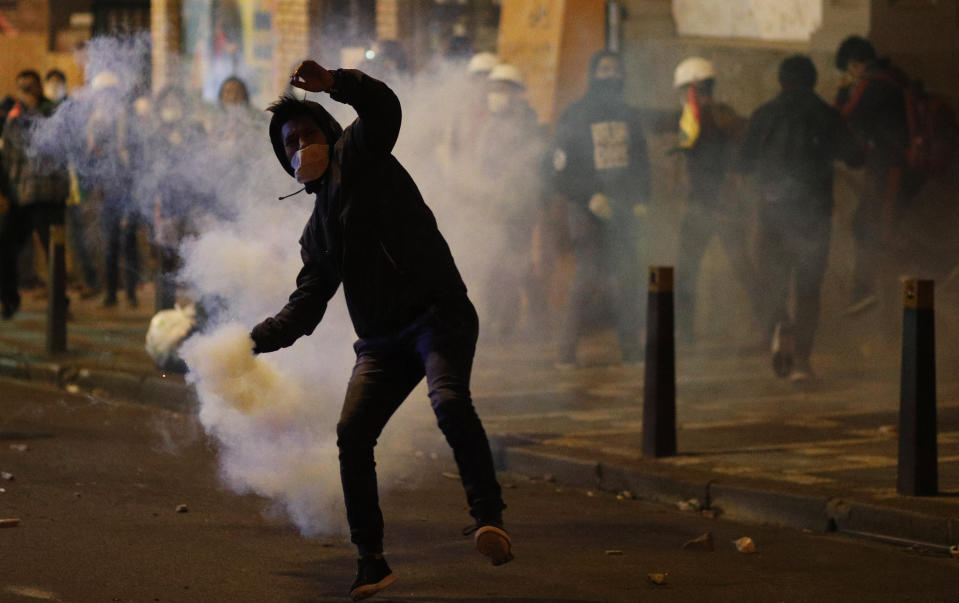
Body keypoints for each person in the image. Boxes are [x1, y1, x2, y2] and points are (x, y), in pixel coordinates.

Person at [250, 60, 511, 601]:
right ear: (285, 162)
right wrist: (253, 341)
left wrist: (337, 83)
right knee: (352, 435)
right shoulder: (315, 231)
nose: (302, 146)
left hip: (437, 314)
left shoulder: (361, 153)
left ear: (330, 132)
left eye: (308, 133)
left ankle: (489, 518)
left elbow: (385, 108)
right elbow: (307, 303)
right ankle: (371, 561)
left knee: (449, 399)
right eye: (290, 143)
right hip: (381, 342)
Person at [736, 55, 863, 380]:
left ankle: (781, 324)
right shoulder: (826, 115)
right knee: (808, 288)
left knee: (772, 282)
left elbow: (742, 164)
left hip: (773, 214)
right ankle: (802, 362)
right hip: (813, 216)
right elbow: (856, 157)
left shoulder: (764, 114)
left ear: (781, 82)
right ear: (813, 81)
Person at [552, 50, 650, 366]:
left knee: (625, 278)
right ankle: (566, 351)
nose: (611, 75)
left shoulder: (629, 115)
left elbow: (640, 162)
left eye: (616, 69)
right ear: (593, 74)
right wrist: (589, 197)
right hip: (586, 209)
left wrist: (641, 199)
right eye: (605, 69)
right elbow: (562, 170)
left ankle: (631, 350)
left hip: (622, 206)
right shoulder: (577, 114)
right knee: (588, 276)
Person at [670, 57, 759, 345]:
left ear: (693, 88)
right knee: (703, 268)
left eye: (685, 90)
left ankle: (771, 324)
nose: (683, 96)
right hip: (707, 205)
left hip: (719, 206)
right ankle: (684, 332)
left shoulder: (718, 118)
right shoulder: (695, 118)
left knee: (735, 267)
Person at [833, 36, 911, 316]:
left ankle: (885, 300)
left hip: (889, 168)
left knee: (880, 230)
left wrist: (843, 92)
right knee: (869, 225)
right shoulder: (893, 80)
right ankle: (867, 294)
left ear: (855, 65)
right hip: (890, 167)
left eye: (849, 70)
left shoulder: (871, 85)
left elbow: (842, 117)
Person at [474, 63, 547, 337]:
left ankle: (532, 319)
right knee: (497, 263)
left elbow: (530, 167)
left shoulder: (528, 124)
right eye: (494, 89)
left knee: (518, 263)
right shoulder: (491, 124)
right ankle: (499, 320)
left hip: (518, 207)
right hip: (495, 206)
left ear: (517, 93)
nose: (497, 95)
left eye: (503, 89)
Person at [0, 70, 69, 318]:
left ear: (39, 88)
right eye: (21, 87)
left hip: (46, 195)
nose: (26, 92)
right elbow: (6, 156)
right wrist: (5, 191)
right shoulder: (13, 117)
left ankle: (60, 303)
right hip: (21, 196)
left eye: (30, 86)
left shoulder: (52, 112)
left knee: (54, 251)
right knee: (5, 246)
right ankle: (8, 300)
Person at [84, 70, 142, 308]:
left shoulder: (129, 118)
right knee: (111, 242)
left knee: (129, 241)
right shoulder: (95, 121)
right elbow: (89, 158)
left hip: (129, 185)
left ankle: (131, 292)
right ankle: (111, 293)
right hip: (108, 189)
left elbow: (138, 152)